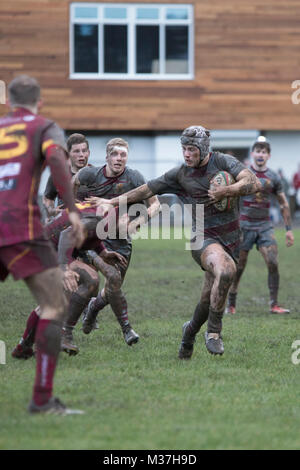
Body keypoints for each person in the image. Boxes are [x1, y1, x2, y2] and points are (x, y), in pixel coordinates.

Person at [86, 126, 260, 357]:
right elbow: (145, 190)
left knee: (209, 298)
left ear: (203, 148)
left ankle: (188, 334)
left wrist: (227, 190)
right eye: (184, 149)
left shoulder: (223, 162)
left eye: (191, 149)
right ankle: (214, 332)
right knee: (226, 271)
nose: (186, 154)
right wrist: (113, 202)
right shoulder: (180, 174)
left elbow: (253, 182)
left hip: (232, 239)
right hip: (203, 239)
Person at [0, 75, 85, 414]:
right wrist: (74, 209)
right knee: (53, 305)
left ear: (8, 102)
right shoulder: (44, 126)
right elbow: (57, 161)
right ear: (40, 101)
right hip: (20, 226)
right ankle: (42, 400)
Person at [73, 137, 160, 346]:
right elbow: (69, 189)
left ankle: (93, 308)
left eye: (123, 155)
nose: (119, 158)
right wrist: (70, 208)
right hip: (94, 240)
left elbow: (155, 205)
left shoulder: (134, 178)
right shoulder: (89, 174)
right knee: (111, 277)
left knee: (113, 286)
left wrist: (137, 221)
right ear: (107, 156)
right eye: (115, 154)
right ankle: (127, 330)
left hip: (121, 240)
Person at [12, 202, 128, 357]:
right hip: (47, 249)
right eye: (130, 223)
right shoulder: (98, 218)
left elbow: (88, 234)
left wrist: (103, 253)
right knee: (91, 280)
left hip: (48, 247)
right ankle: (64, 333)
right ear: (120, 216)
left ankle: (24, 347)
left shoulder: (105, 218)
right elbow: (67, 234)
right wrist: (64, 268)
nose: (131, 229)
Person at [227, 137, 294, 315]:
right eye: (258, 151)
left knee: (273, 262)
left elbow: (283, 204)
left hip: (265, 226)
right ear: (252, 153)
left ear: (268, 156)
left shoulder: (274, 178)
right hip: (244, 227)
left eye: (264, 152)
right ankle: (231, 304)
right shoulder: (243, 175)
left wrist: (288, 231)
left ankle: (274, 305)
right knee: (239, 267)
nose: (260, 154)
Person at [43, 133, 91, 219]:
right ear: (68, 154)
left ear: (89, 152)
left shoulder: (97, 174)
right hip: (64, 222)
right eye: (76, 151)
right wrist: (51, 210)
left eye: (84, 151)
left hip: (89, 222)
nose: (81, 155)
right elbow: (48, 198)